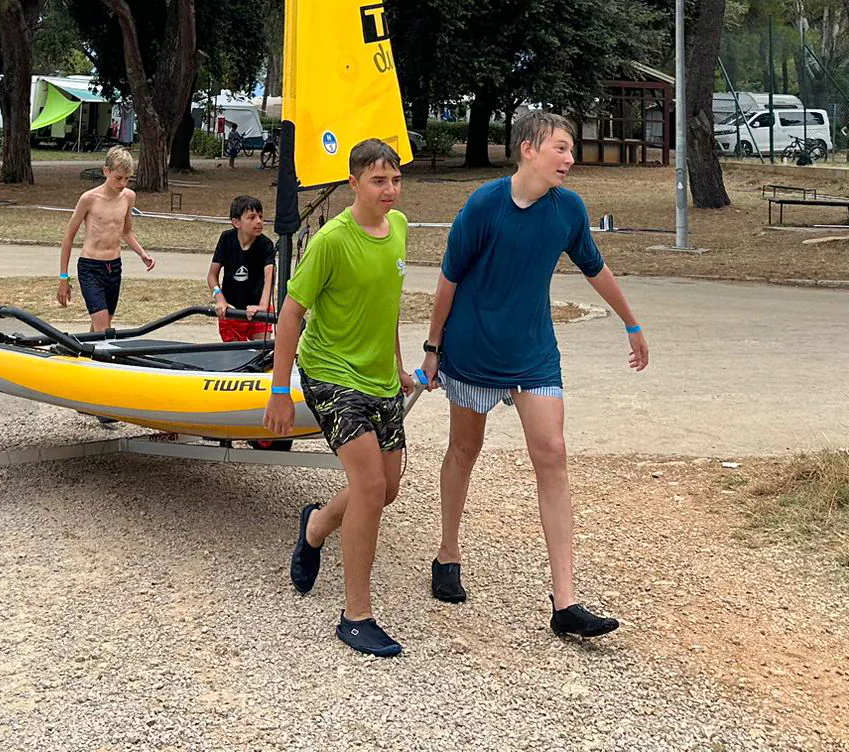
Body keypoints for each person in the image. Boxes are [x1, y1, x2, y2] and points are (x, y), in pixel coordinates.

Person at [420, 108, 649, 640]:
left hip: (534, 353)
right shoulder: (483, 205)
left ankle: (564, 600)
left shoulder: (568, 210)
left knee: (553, 454)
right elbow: (448, 280)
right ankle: (447, 552)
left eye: (570, 150)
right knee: (464, 450)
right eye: (562, 148)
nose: (571, 159)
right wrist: (433, 348)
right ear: (529, 149)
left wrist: (631, 323)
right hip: (474, 349)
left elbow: (595, 266)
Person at [264, 138, 414, 658]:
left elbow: (386, 305)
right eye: (378, 180)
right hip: (330, 374)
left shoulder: (398, 228)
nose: (389, 190)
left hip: (380, 380)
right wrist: (281, 390)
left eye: (395, 179)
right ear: (353, 182)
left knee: (387, 489)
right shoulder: (331, 240)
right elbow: (290, 314)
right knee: (370, 487)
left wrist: (397, 365)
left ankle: (316, 526)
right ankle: (356, 615)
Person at [56, 146, 155, 330]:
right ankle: (101, 358)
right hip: (91, 267)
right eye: (118, 178)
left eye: (127, 178)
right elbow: (68, 237)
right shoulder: (89, 198)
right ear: (106, 171)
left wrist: (142, 253)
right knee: (104, 329)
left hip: (114, 268)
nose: (123, 183)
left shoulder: (129, 197)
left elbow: (126, 232)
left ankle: (87, 357)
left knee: (101, 325)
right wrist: (64, 278)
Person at [207, 195, 274, 341]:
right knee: (235, 357)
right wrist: (219, 299)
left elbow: (270, 276)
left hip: (258, 309)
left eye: (261, 217)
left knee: (261, 355)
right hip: (231, 311)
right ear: (236, 222)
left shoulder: (266, 244)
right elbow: (212, 276)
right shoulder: (226, 239)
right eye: (252, 217)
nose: (259, 221)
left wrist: (263, 307)